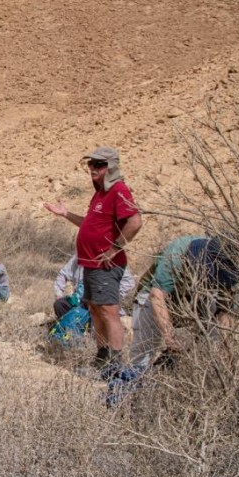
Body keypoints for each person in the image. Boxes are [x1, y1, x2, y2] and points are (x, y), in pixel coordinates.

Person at [44, 147, 142, 376]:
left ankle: (115, 363)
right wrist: (65, 214)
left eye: (99, 164)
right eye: (90, 164)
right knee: (95, 309)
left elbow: (135, 222)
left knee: (109, 311)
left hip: (105, 266)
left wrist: (114, 248)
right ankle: (102, 355)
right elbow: (89, 224)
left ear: (111, 167)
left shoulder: (118, 190)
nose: (93, 169)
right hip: (89, 265)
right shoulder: (100, 194)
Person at [126, 236, 239, 373]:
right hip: (155, 295)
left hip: (193, 298)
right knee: (145, 347)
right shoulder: (177, 254)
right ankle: (136, 378)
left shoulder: (229, 269)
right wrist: (170, 338)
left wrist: (225, 348)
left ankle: (204, 371)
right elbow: (156, 296)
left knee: (214, 328)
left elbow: (225, 310)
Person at [53, 253, 136, 318]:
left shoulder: (111, 258)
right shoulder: (79, 256)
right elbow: (63, 275)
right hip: (79, 301)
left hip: (101, 303)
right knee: (60, 305)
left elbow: (129, 282)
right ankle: (69, 330)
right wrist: (58, 294)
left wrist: (111, 296)